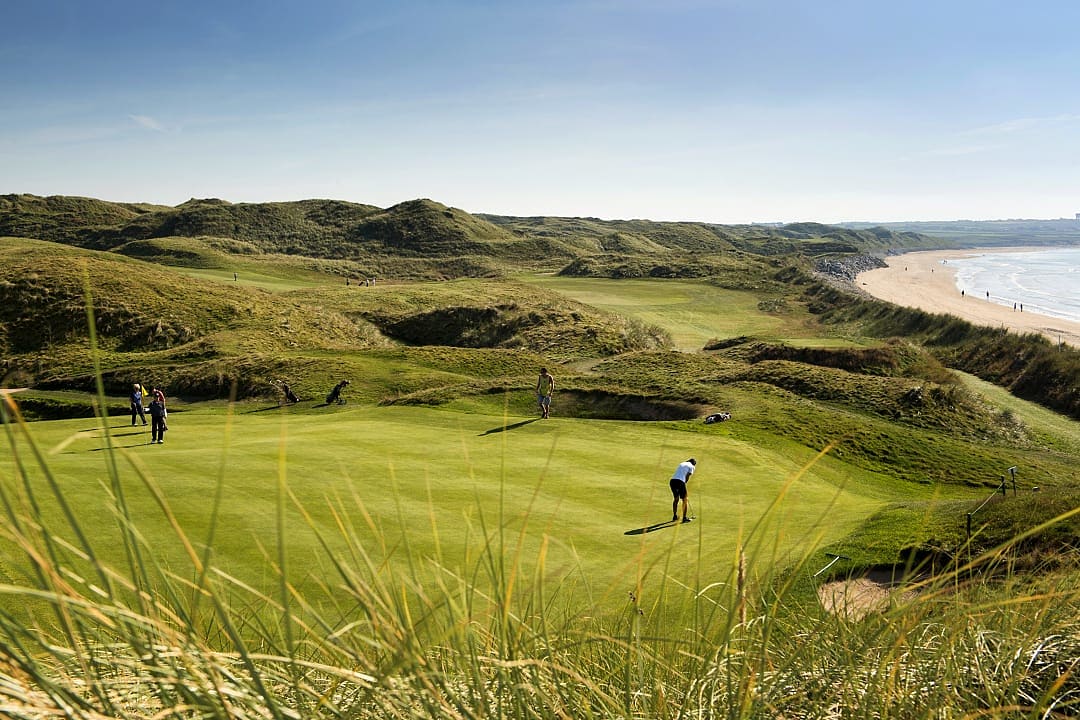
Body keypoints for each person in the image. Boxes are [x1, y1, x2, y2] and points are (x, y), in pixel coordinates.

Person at [669, 458, 696, 523]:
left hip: (672, 481)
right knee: (685, 499)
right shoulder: (692, 466)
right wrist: (685, 482)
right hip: (680, 482)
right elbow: (687, 476)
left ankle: (675, 516)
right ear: (694, 464)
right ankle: (684, 518)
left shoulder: (682, 463)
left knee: (676, 499)